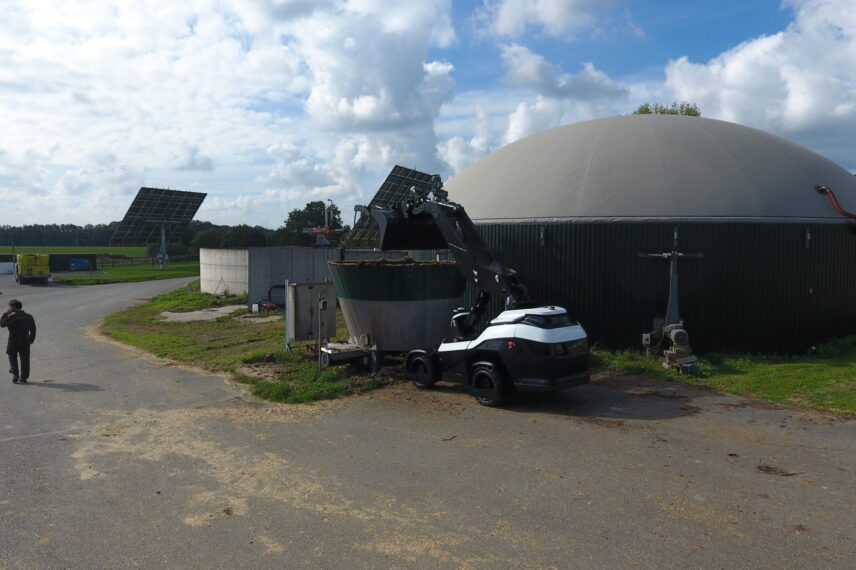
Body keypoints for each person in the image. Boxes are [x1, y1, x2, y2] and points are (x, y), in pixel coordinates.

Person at [1, 299, 36, 384]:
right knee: (25, 359)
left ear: (14, 307)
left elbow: (2, 324)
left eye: (10, 307)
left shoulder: (12, 317)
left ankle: (15, 373)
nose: (9, 308)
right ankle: (24, 378)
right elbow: (33, 329)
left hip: (13, 340)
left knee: (12, 355)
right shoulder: (29, 316)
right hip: (25, 339)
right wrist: (31, 339)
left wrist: (5, 314)